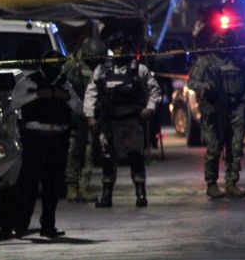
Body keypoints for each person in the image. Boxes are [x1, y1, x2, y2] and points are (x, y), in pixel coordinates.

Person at [10, 50, 82, 238]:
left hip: (57, 138)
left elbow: (79, 107)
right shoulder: (29, 82)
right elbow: (15, 103)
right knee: (29, 184)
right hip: (35, 138)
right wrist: (38, 95)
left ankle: (48, 225)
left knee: (53, 184)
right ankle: (20, 225)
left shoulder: (64, 84)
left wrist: (64, 96)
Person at [85, 32, 161, 208]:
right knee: (108, 160)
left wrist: (149, 108)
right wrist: (90, 116)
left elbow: (154, 90)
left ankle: (141, 194)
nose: (120, 50)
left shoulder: (138, 69)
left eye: (123, 46)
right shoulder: (102, 70)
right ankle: (106, 195)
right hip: (109, 123)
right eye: (116, 46)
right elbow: (91, 93)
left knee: (135, 157)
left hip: (131, 122)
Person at [187, 30, 245, 199]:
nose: (224, 45)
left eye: (227, 42)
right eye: (220, 42)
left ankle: (231, 183)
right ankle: (211, 184)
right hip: (214, 110)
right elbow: (192, 82)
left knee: (235, 147)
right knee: (214, 147)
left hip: (235, 108)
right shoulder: (206, 62)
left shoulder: (237, 61)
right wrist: (205, 88)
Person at [62, 36, 107, 202]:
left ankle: (83, 187)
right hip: (75, 116)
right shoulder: (73, 67)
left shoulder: (99, 70)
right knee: (73, 152)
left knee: (87, 154)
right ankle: (71, 187)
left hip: (88, 117)